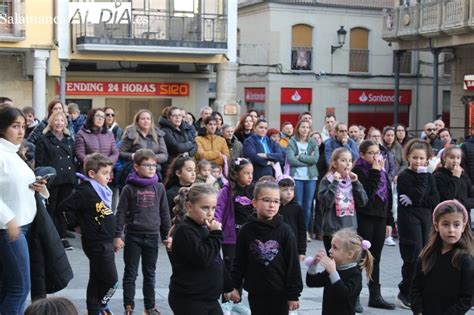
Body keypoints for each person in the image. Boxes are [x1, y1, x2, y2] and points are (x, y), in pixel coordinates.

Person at [0, 107, 48, 314]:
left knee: (8, 286)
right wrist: (8, 219)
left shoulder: (15, 151)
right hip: (9, 228)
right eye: (15, 126)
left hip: (24, 225)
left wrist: (42, 188)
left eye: (23, 126)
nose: (21, 131)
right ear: (2, 128)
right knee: (20, 288)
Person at [229, 180, 303, 314]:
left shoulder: (285, 231)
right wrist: (234, 286)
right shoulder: (246, 230)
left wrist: (293, 294)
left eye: (276, 201)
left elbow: (293, 264)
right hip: (256, 292)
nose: (272, 205)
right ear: (255, 202)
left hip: (280, 292)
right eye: (267, 200)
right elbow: (239, 262)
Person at [114, 149, 171, 315]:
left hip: (152, 236)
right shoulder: (129, 188)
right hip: (133, 236)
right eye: (147, 165)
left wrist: (167, 236)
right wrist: (118, 235)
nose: (152, 168)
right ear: (136, 167)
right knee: (130, 273)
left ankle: (150, 306)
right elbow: (121, 213)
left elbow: (165, 213)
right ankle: (128, 306)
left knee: (150, 273)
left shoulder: (159, 187)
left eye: (154, 165)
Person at [60, 153, 118, 315]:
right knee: (112, 282)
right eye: (105, 173)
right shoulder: (85, 190)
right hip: (96, 243)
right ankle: (101, 304)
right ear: (92, 174)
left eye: (109, 173)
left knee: (97, 278)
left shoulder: (102, 190)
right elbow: (64, 208)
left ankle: (94, 309)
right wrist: (77, 225)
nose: (109, 177)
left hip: (104, 241)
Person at [168, 183, 232, 314]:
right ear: (189, 206)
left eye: (213, 208)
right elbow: (203, 258)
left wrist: (228, 285)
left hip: (209, 299)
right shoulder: (185, 230)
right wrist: (216, 235)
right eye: (205, 208)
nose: (210, 213)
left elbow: (216, 259)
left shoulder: (204, 228)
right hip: (189, 299)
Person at [352, 140, 396, 309]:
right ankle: (354, 295)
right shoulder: (359, 170)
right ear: (362, 155)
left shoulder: (382, 172)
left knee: (375, 259)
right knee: (360, 257)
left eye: (377, 153)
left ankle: (375, 296)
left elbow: (388, 198)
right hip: (365, 217)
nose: (376, 156)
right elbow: (367, 195)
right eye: (371, 153)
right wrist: (375, 172)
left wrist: (389, 221)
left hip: (380, 217)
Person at [396, 139, 439, 309]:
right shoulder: (405, 176)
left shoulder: (429, 176)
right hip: (409, 220)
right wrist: (421, 179)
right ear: (408, 157)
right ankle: (404, 291)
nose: (418, 162)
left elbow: (434, 199)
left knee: (425, 257)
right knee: (413, 257)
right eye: (415, 158)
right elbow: (419, 195)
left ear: (427, 158)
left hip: (425, 220)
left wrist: (416, 199)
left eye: (422, 158)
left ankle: (419, 292)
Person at [410, 200, 474, 314]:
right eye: (445, 224)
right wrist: (418, 310)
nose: (451, 230)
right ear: (436, 226)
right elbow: (415, 286)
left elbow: (468, 298)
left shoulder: (465, 260)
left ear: (463, 227)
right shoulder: (426, 255)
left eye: (456, 225)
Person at [306, 228, 374, 315]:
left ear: (349, 254)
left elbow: (343, 295)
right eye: (331, 246)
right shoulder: (332, 270)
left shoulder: (355, 275)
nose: (330, 250)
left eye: (335, 248)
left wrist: (333, 273)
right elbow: (311, 282)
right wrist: (313, 264)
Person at [35, 111, 76, 250]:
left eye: (62, 120)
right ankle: (52, 238)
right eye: (56, 120)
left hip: (68, 179)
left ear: (65, 123)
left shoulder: (69, 138)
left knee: (63, 210)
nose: (59, 123)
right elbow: (39, 163)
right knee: (51, 209)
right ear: (51, 122)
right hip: (52, 180)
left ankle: (62, 237)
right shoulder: (43, 139)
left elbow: (73, 159)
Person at [318, 147, 368, 253]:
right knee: (334, 263)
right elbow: (326, 203)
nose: (348, 163)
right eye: (343, 160)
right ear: (335, 164)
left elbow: (363, 201)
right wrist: (335, 182)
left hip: (350, 229)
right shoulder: (327, 180)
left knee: (349, 263)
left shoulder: (353, 180)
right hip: (333, 230)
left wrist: (356, 183)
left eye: (350, 160)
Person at [215, 158, 254, 280]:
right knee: (230, 267)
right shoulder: (227, 190)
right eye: (246, 173)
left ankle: (237, 298)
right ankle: (227, 296)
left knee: (242, 268)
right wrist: (216, 226)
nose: (250, 176)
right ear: (236, 174)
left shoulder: (253, 190)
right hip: (230, 237)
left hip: (247, 235)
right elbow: (218, 209)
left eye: (251, 173)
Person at [287, 119, 319, 237]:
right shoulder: (292, 142)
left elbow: (315, 159)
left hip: (311, 178)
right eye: (303, 127)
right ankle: (296, 230)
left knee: (308, 206)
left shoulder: (313, 143)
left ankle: (304, 231)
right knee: (298, 204)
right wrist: (307, 161)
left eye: (307, 127)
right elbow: (291, 160)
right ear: (298, 128)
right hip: (296, 177)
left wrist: (300, 157)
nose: (305, 129)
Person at [120, 109, 168, 179]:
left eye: (148, 119)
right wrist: (133, 156)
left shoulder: (158, 134)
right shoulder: (131, 133)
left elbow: (164, 155)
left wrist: (151, 158)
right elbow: (120, 152)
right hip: (135, 171)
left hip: (154, 170)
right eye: (143, 119)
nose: (146, 121)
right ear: (137, 120)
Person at [433, 145, 474, 227]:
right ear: (444, 158)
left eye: (458, 158)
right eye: (452, 157)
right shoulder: (438, 176)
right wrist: (455, 177)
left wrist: (460, 203)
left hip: (464, 219)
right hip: (447, 220)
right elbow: (447, 198)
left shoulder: (463, 176)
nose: (455, 161)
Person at [278, 177, 306, 260]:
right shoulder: (275, 207)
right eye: (285, 190)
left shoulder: (298, 208)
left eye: (292, 189)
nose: (289, 193)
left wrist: (301, 251)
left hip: (292, 244)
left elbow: (302, 230)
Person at [159, 106, 197, 171]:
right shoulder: (165, 131)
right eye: (174, 115)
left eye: (179, 115)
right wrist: (190, 143)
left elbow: (195, 145)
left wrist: (189, 153)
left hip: (185, 164)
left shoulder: (185, 129)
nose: (178, 117)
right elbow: (176, 147)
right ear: (169, 118)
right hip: (171, 166)